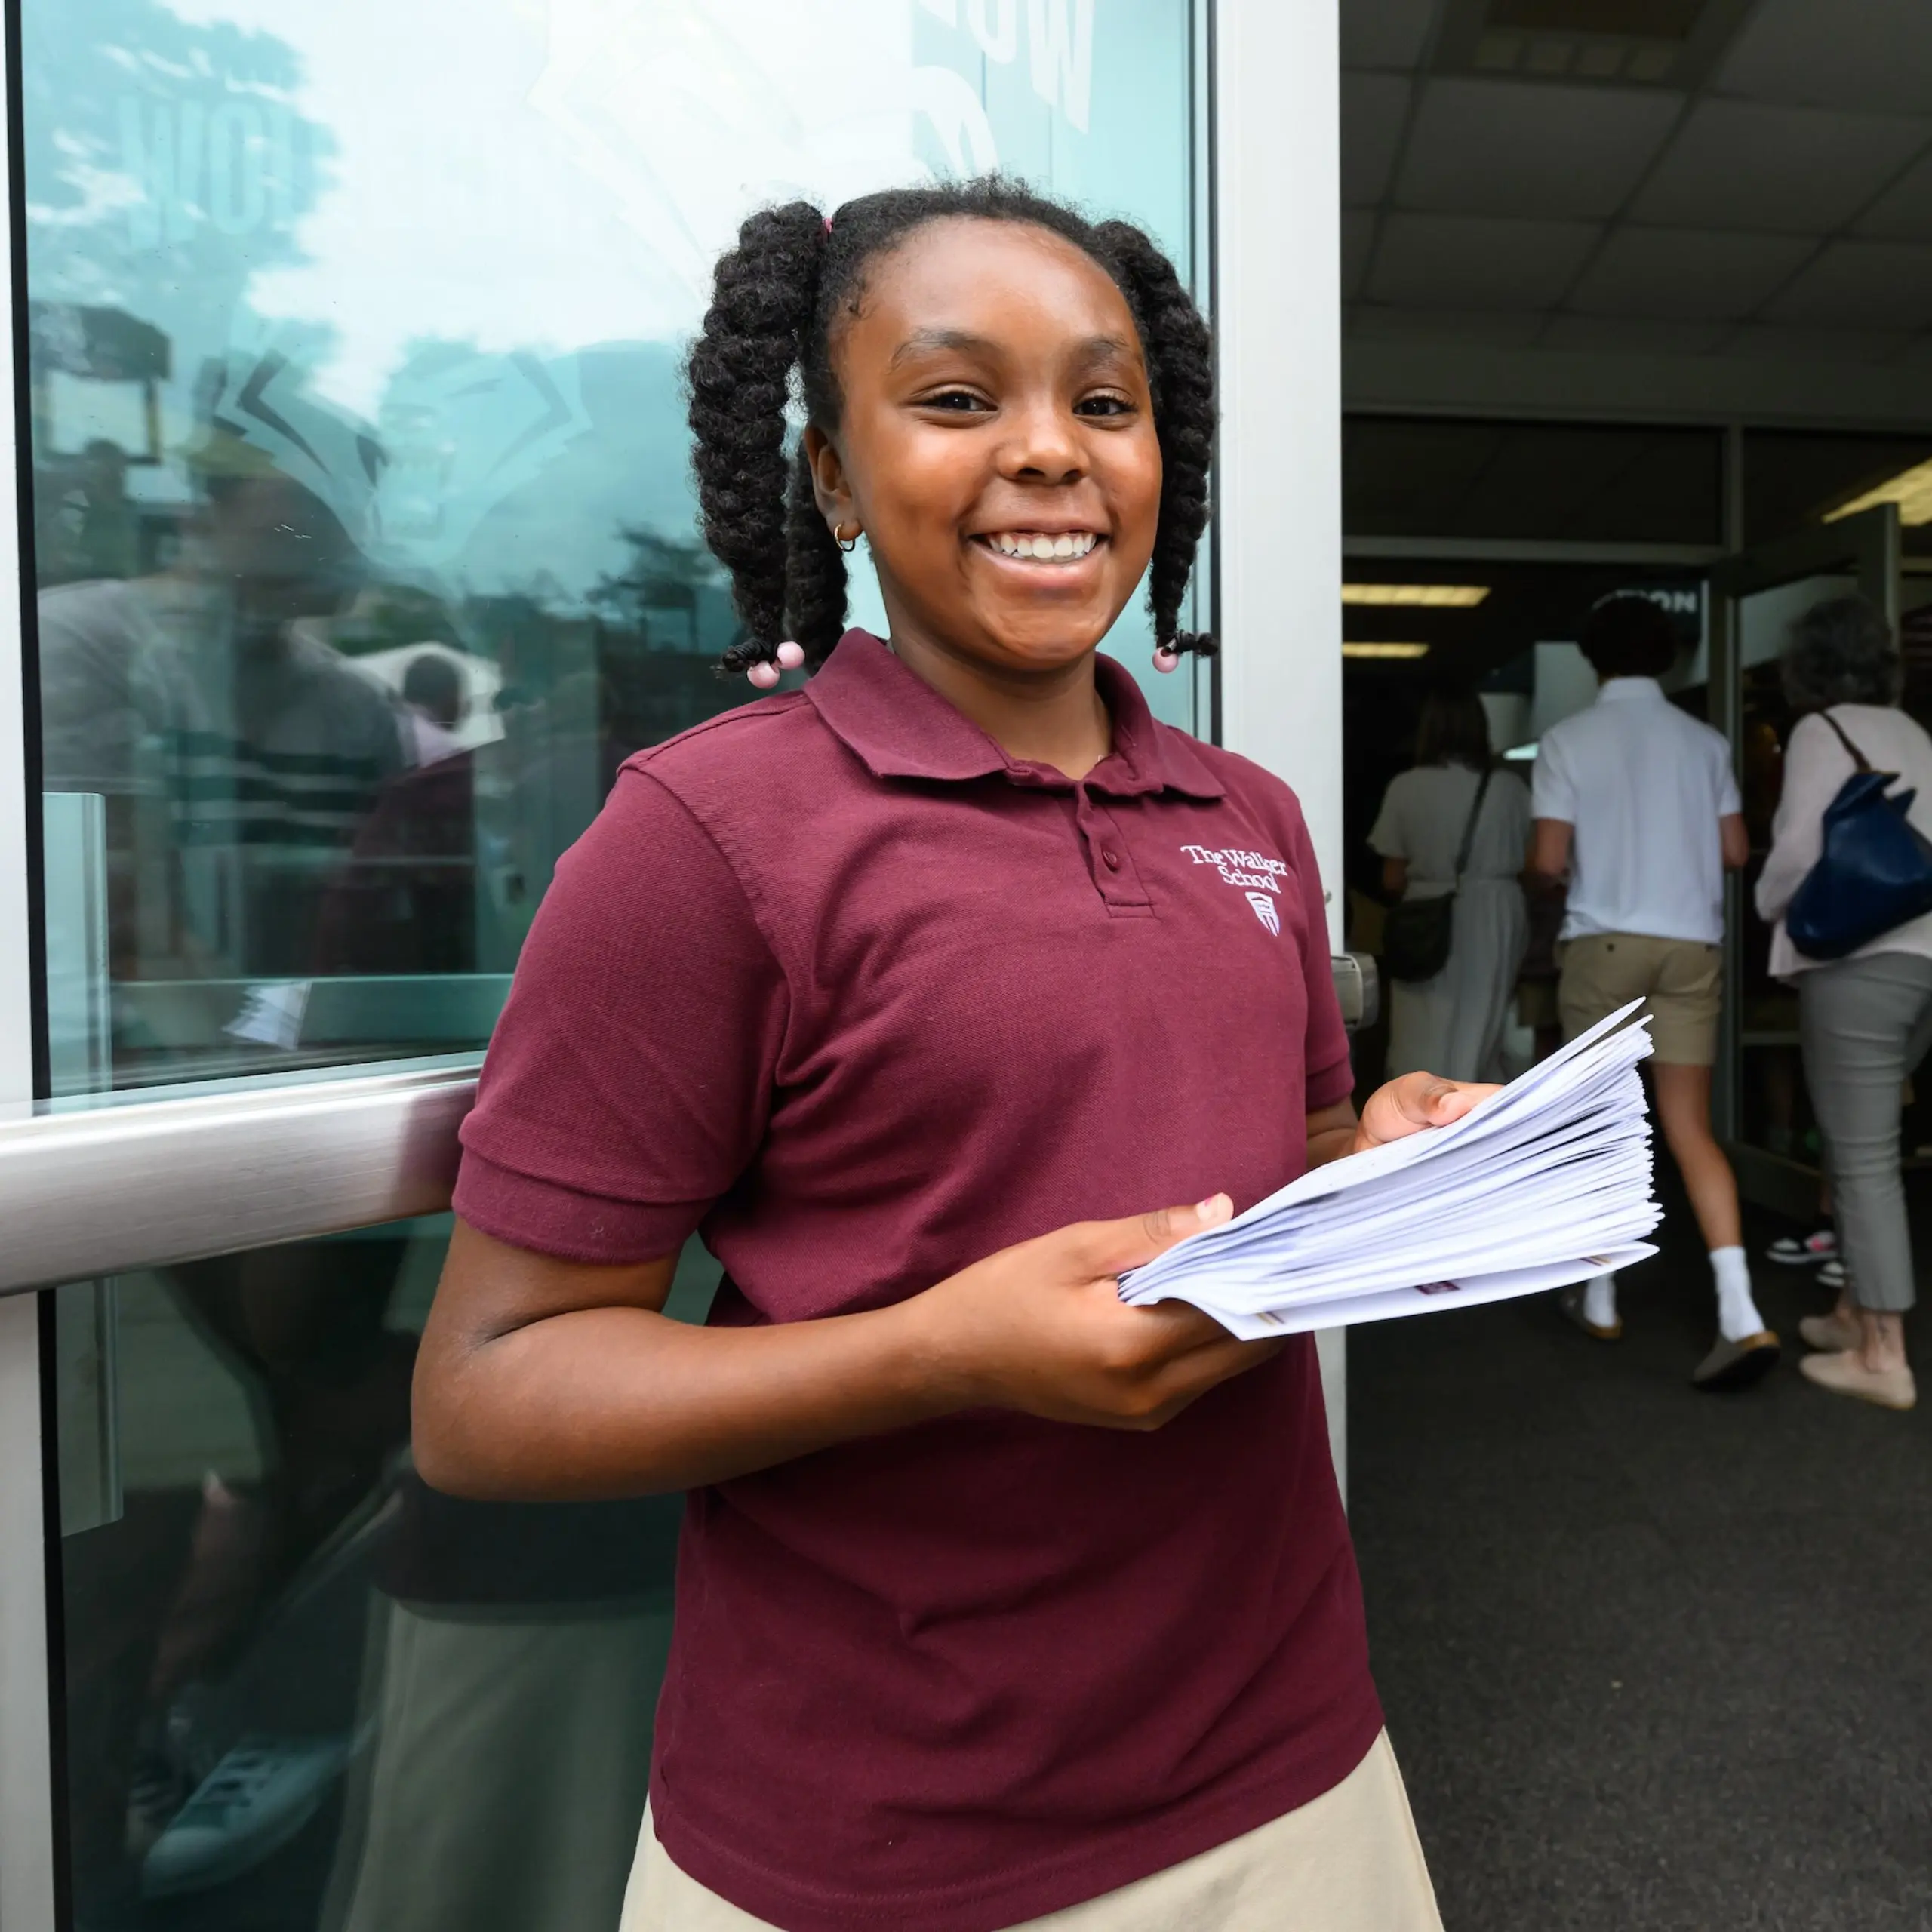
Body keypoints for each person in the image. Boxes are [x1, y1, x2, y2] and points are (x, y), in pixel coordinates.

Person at [412, 178, 1481, 1931]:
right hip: (880, 1838)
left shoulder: (1253, 815)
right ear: (828, 471)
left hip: (1293, 1756)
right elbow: (484, 1393)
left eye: (1104, 399)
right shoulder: (706, 834)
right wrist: (930, 1353)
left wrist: (1395, 1160)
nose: (1052, 453)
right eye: (957, 395)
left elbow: (1275, 1169)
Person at [1531, 594, 1777, 1390]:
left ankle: (1599, 1293)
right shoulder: (1704, 742)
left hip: (1604, 943)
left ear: (1591, 657)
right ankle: (1740, 1312)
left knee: (1600, 1120)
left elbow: (1545, 858)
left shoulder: (1568, 740)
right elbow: (1737, 850)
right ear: (1667, 657)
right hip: (1690, 946)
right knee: (1688, 1128)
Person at [1754, 595, 1928, 1412]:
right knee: (1863, 1146)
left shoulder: (1822, 733)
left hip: (1859, 964)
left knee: (1859, 1159)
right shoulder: (1914, 732)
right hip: (1924, 964)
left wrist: (1762, 902)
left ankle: (1881, 1353)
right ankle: (1853, 1308)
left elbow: (1795, 851)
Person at [1368, 688, 1530, 1083]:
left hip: (1426, 915)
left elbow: (1392, 877)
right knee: (1483, 1024)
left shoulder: (1406, 787)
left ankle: (1420, 1113)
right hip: (1498, 910)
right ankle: (1477, 1110)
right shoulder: (1509, 788)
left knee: (1421, 1026)